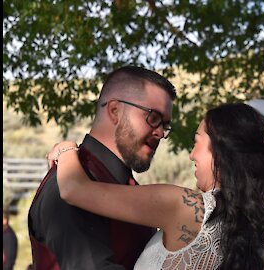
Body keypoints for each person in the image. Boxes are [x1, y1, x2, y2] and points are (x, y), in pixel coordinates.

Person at [48, 103, 264, 269]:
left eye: (197, 142)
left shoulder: (184, 207)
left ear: (221, 151)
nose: (192, 155)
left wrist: (67, 148)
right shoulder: (246, 228)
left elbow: (73, 189)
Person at [28, 66, 177, 269]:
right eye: (153, 118)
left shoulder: (127, 186)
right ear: (115, 110)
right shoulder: (64, 186)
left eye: (165, 125)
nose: (160, 133)